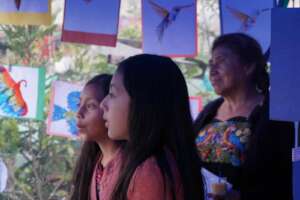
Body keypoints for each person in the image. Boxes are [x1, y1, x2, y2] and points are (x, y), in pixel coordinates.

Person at [194, 33, 294, 200]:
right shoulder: (209, 111)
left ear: (248, 67)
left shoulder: (274, 115)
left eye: (220, 61)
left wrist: (242, 197)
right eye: (211, 63)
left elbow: (285, 177)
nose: (212, 71)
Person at [100, 54, 204, 200]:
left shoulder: (149, 172)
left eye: (112, 94)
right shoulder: (134, 158)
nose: (103, 104)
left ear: (143, 103)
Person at [70, 74, 123, 200]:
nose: (79, 113)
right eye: (79, 104)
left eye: (90, 106)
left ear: (109, 108)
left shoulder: (132, 167)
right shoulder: (91, 163)